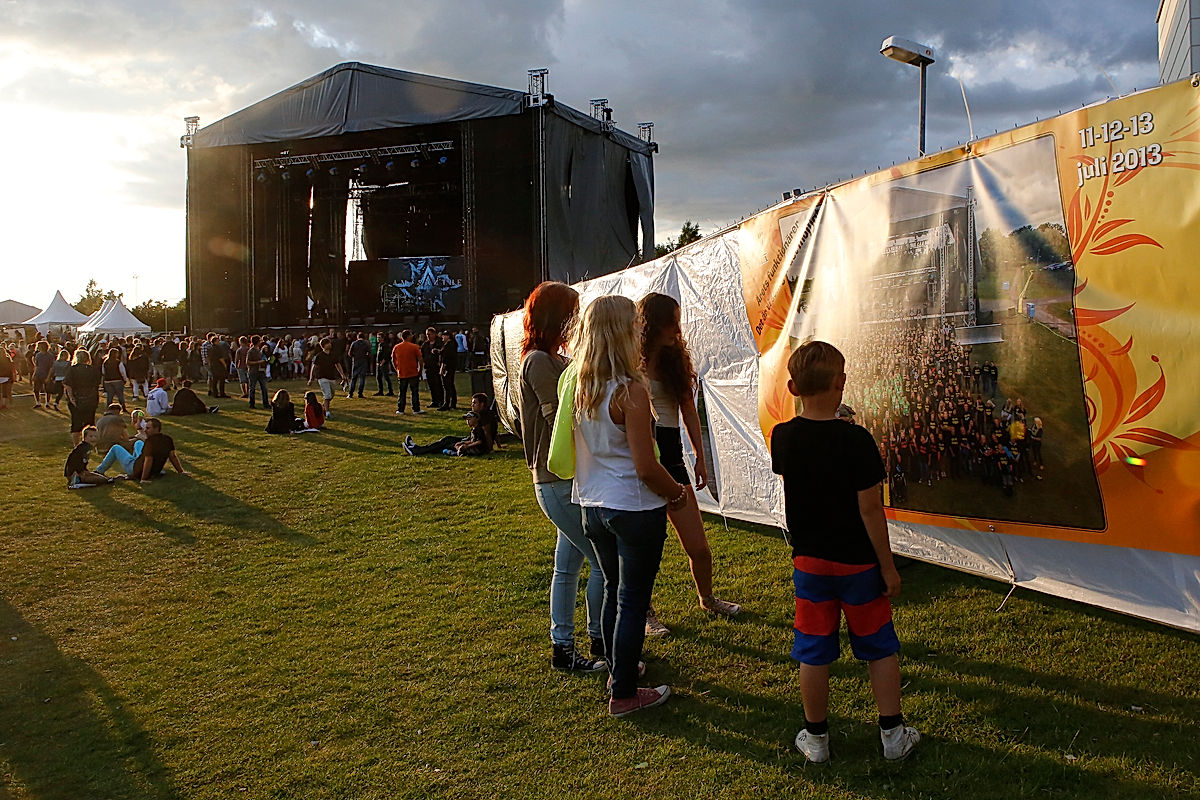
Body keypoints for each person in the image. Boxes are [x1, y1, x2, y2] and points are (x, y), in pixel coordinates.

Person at [771, 341, 918, 763]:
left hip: (810, 561)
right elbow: (870, 509)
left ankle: (816, 739)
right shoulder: (857, 440)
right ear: (842, 384)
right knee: (878, 646)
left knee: (813, 649)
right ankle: (892, 734)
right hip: (859, 563)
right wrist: (888, 568)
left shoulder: (783, 437)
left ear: (793, 386)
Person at [565, 294, 689, 717]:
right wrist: (675, 491)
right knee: (632, 598)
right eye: (634, 324)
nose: (640, 330)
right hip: (632, 508)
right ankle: (623, 691)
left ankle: (619, 668)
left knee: (615, 591)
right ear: (622, 332)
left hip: (592, 505)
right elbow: (645, 465)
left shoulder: (580, 385)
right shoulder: (630, 391)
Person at [638, 293, 741, 634]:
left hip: (670, 458)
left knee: (699, 547)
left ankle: (707, 597)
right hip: (641, 461)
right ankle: (646, 613)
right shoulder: (630, 364)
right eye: (672, 322)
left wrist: (700, 455)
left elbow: (688, 409)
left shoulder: (675, 361)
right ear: (653, 324)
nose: (677, 330)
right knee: (645, 551)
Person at [516, 282, 606, 673]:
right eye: (573, 311)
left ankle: (564, 647)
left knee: (566, 567)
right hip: (557, 481)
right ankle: (601, 641)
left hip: (564, 479)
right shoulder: (539, 362)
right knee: (604, 563)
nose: (578, 319)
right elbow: (562, 423)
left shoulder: (551, 359)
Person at [402, 410, 492, 456]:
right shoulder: (474, 429)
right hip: (468, 442)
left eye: (474, 403)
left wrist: (465, 445)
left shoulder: (483, 421)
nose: (467, 421)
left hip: (473, 448)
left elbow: (480, 441)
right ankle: (417, 449)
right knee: (446, 440)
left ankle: (417, 450)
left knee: (446, 443)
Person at [64, 348, 102, 445]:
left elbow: (68, 384)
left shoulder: (72, 370)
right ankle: (90, 443)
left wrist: (71, 397)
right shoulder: (93, 370)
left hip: (77, 398)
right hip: (91, 398)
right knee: (90, 422)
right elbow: (97, 384)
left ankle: (76, 445)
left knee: (76, 422)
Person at [308, 337, 347, 418]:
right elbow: (314, 367)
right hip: (322, 378)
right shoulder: (319, 356)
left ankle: (323, 407)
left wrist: (342, 375)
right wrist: (311, 378)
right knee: (327, 395)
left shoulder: (333, 355)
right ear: (323, 345)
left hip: (331, 377)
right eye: (328, 343)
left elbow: (337, 365)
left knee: (331, 395)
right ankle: (327, 413)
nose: (330, 344)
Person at [391, 330, 424, 415]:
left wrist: (397, 369)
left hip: (402, 372)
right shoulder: (414, 347)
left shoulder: (397, 347)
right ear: (408, 336)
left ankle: (400, 409)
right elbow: (420, 359)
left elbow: (393, 360)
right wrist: (420, 370)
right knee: (414, 392)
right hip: (413, 372)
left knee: (402, 392)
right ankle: (416, 409)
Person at [422, 326, 444, 410]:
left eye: (430, 334)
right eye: (427, 334)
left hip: (437, 367)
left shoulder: (439, 343)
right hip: (428, 367)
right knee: (431, 385)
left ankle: (441, 401)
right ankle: (434, 400)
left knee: (438, 384)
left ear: (434, 334)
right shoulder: (425, 344)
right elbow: (422, 354)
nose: (428, 336)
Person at [246, 335, 270, 409]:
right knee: (252, 388)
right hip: (253, 371)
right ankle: (252, 404)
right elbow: (248, 362)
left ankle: (266, 403)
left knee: (264, 388)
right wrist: (258, 362)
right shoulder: (251, 351)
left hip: (261, 371)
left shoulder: (259, 350)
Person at [438, 330, 459, 410]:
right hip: (449, 367)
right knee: (450, 385)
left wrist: (443, 367)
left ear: (448, 336)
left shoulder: (450, 345)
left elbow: (446, 357)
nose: (442, 337)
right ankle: (452, 403)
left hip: (447, 367)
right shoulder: (449, 345)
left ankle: (447, 403)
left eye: (444, 335)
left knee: (447, 385)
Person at [347, 332, 371, 398]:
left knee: (354, 378)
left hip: (356, 361)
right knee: (362, 378)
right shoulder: (366, 343)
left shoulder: (354, 343)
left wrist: (354, 356)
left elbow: (349, 353)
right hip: (363, 361)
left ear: (358, 337)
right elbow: (369, 353)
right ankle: (360, 393)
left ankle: (350, 393)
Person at [32, 340, 54, 409]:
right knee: (36, 389)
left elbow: (51, 367)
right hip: (38, 373)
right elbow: (36, 365)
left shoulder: (50, 356)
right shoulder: (38, 355)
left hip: (46, 374)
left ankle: (47, 403)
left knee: (47, 390)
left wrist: (48, 377)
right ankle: (38, 403)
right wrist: (34, 374)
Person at [374, 332, 395, 396]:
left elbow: (387, 354)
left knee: (386, 377)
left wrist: (383, 362)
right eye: (377, 337)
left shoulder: (385, 345)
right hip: (379, 363)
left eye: (379, 337)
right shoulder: (379, 345)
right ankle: (380, 391)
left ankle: (390, 391)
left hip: (383, 364)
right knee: (378, 378)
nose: (378, 339)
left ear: (383, 338)